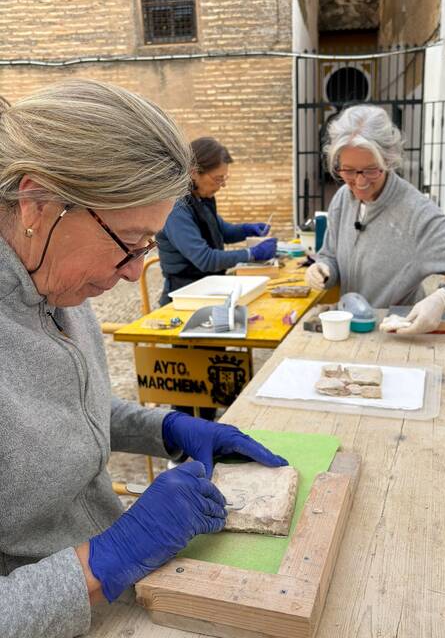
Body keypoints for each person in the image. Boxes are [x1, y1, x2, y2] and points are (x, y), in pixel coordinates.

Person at [0, 79, 287, 638]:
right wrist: (107, 558)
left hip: (118, 591)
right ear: (38, 204)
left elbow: (63, 409)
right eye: (128, 242)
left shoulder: (55, 281)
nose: (135, 273)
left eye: (147, 246)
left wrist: (167, 429)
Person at [306, 104, 445, 334]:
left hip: (396, 336)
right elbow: (330, 254)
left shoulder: (417, 215)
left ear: (388, 161)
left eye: (371, 170)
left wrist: (443, 299)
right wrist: (323, 268)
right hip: (352, 329)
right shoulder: (342, 199)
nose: (359, 182)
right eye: (348, 171)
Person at [157, 137, 277, 306]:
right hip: (184, 296)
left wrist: (247, 230)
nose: (223, 185)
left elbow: (222, 231)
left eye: (224, 178)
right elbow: (205, 259)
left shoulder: (200, 197)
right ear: (194, 172)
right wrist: (251, 254)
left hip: (208, 288)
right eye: (218, 179)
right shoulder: (176, 208)